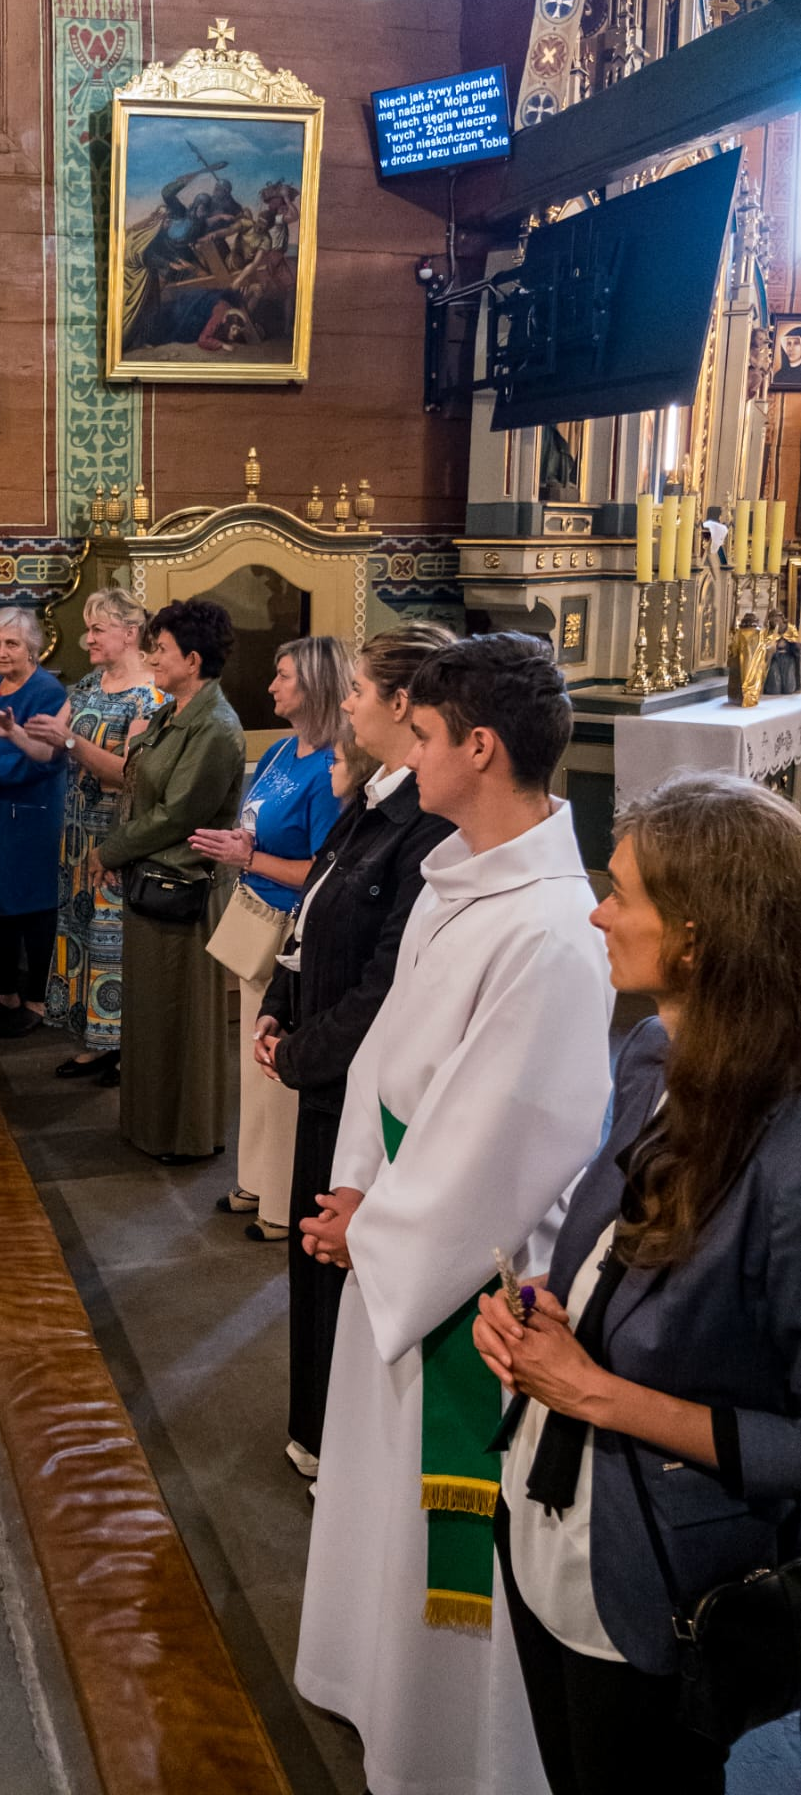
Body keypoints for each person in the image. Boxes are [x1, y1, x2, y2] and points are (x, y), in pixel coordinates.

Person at [294, 632, 614, 1795]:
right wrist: (360, 1194)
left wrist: (372, 1232)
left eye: (422, 736)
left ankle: (446, 1754)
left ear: (480, 747)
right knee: (377, 1508)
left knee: (449, 1542)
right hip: (402, 1238)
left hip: (466, 1285)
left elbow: (505, 1144)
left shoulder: (546, 930)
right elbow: (391, 1064)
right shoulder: (460, 881)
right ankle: (374, 1687)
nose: (406, 752)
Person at [475, 770, 801, 1795]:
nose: (594, 910)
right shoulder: (655, 1049)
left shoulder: (790, 1158)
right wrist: (539, 1308)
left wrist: (591, 1389)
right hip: (548, 1522)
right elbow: (609, 1244)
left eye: (620, 892)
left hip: (662, 1580)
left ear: (699, 936)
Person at [257, 622, 456, 1475]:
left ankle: (340, 1454)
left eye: (361, 691)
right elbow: (313, 916)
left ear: (405, 705)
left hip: (355, 1092)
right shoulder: (370, 801)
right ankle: (313, 1430)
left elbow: (387, 981)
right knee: (311, 1270)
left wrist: (304, 1052)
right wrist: (277, 1002)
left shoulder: (421, 826)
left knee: (339, 1272)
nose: (345, 701)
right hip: (323, 1073)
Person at [191, 636, 347, 1242]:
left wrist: (249, 857)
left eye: (283, 677)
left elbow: (325, 869)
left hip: (293, 928)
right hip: (255, 912)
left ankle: (284, 1203)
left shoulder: (332, 765)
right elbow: (255, 827)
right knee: (251, 1059)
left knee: (279, 1062)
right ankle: (255, 1177)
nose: (272, 687)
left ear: (313, 685)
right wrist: (241, 848)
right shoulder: (283, 750)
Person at [98, 598, 245, 1162]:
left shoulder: (215, 727)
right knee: (151, 1017)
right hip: (151, 879)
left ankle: (184, 1133)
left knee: (180, 1018)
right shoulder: (170, 713)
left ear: (193, 657)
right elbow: (142, 786)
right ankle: (148, 1126)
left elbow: (178, 815)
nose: (150, 657)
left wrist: (110, 850)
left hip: (183, 888)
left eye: (159, 649)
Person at [26, 587, 165, 1085]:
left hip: (116, 833)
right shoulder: (89, 683)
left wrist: (68, 741)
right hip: (77, 834)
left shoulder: (150, 695)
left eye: (97, 629)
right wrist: (13, 732)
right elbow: (50, 751)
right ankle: (100, 1041)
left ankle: (131, 1044)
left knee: (115, 940)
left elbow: (127, 774)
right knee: (83, 935)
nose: (87, 638)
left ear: (130, 634)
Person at [0, 607, 68, 1037]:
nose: (1, 651)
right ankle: (4, 992)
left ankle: (38, 1000)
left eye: (12, 643)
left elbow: (45, 761)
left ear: (32, 648)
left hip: (30, 816)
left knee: (35, 911)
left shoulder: (47, 691)